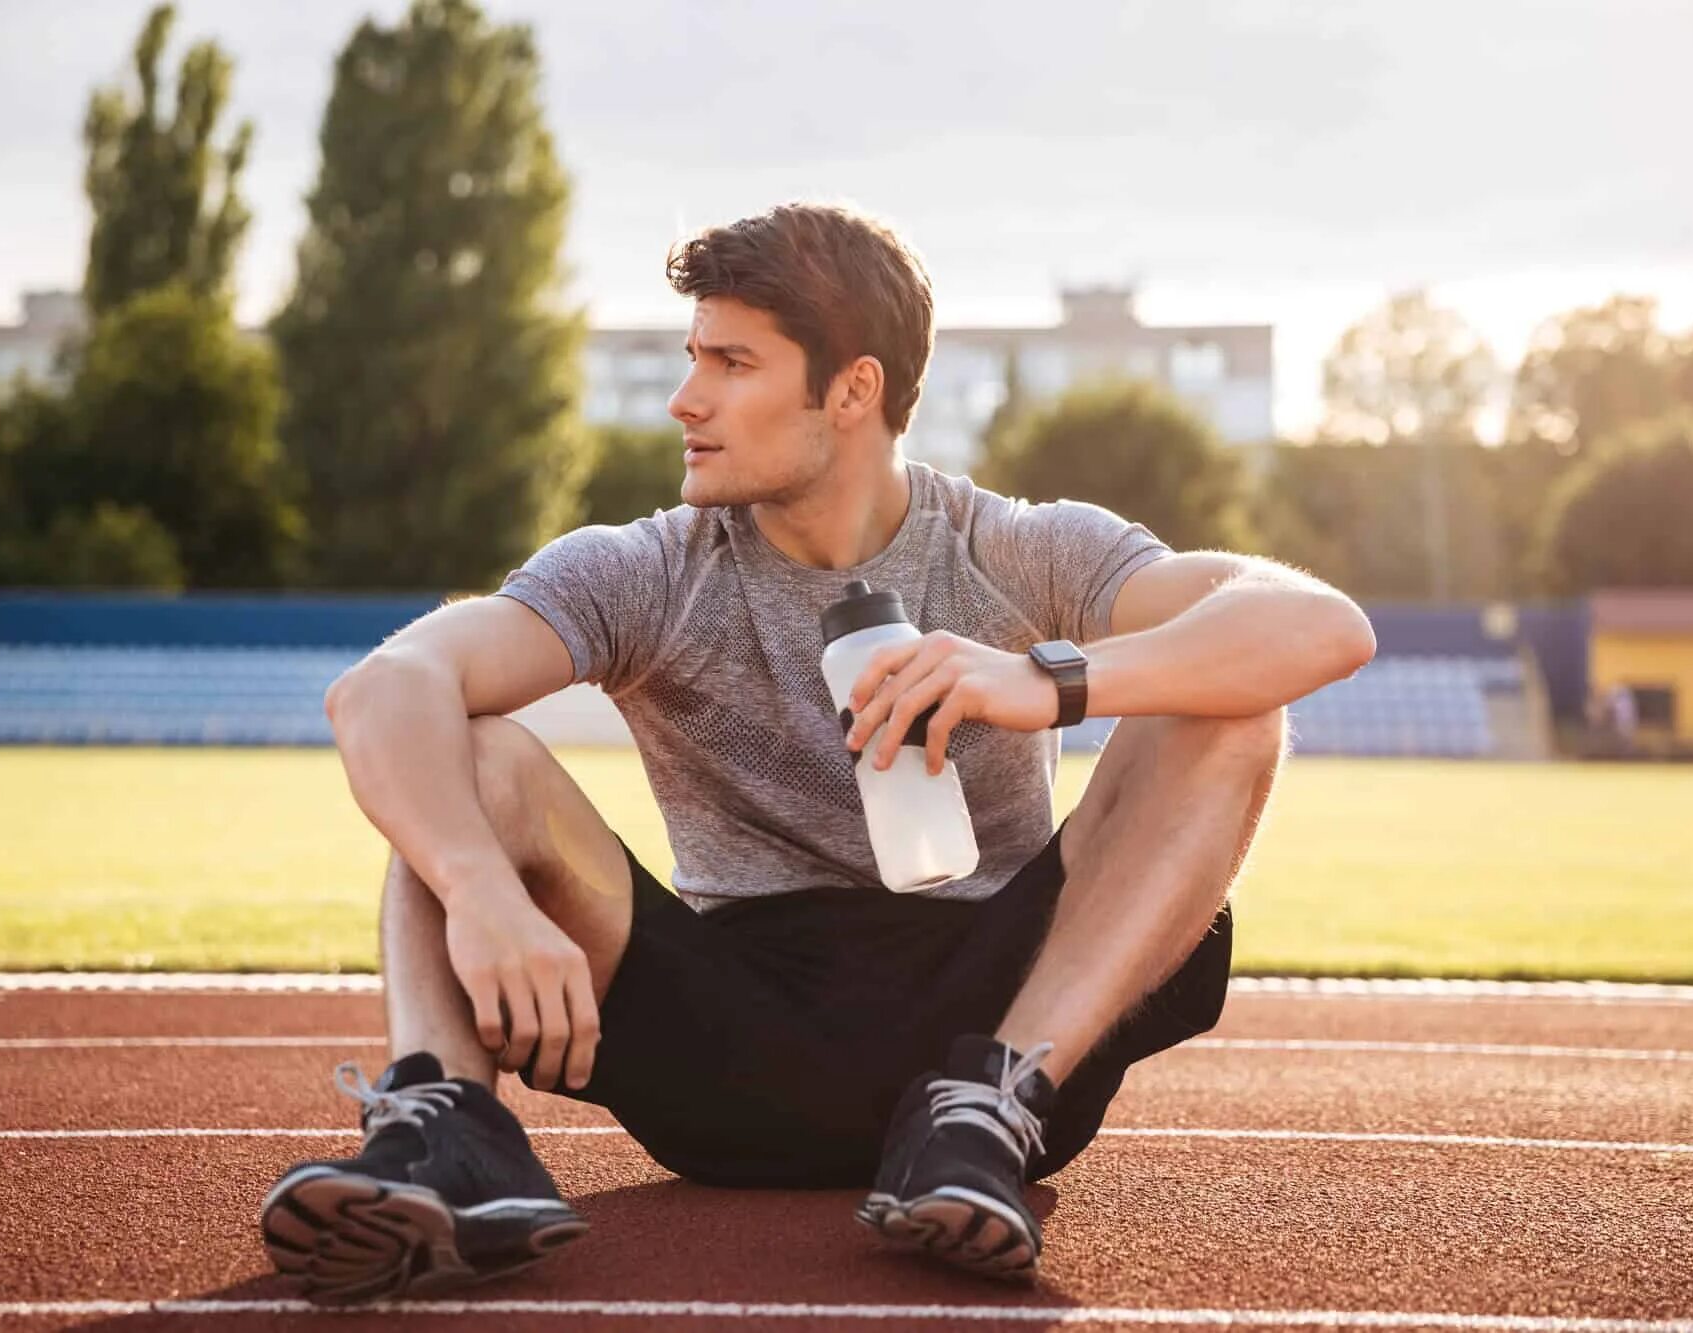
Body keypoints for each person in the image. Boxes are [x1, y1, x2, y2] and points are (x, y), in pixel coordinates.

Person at [259, 203, 1376, 1303]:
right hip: (728, 1040)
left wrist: (1043, 680)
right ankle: (447, 1126)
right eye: (693, 358)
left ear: (853, 390)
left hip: (993, 1022)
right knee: (471, 752)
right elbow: (388, 685)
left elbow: (1318, 626)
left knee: (1230, 701)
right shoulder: (650, 568)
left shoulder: (1016, 546)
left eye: (732, 363)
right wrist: (477, 889)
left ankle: (982, 1103)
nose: (684, 399)